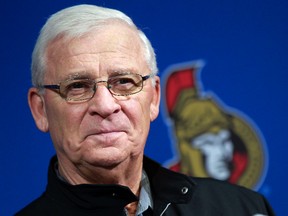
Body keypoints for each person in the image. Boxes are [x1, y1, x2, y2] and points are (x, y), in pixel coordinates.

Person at [16, 4, 275, 216]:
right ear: (40, 109)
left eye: (124, 82)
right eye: (78, 87)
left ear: (153, 98)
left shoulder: (243, 209)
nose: (105, 105)